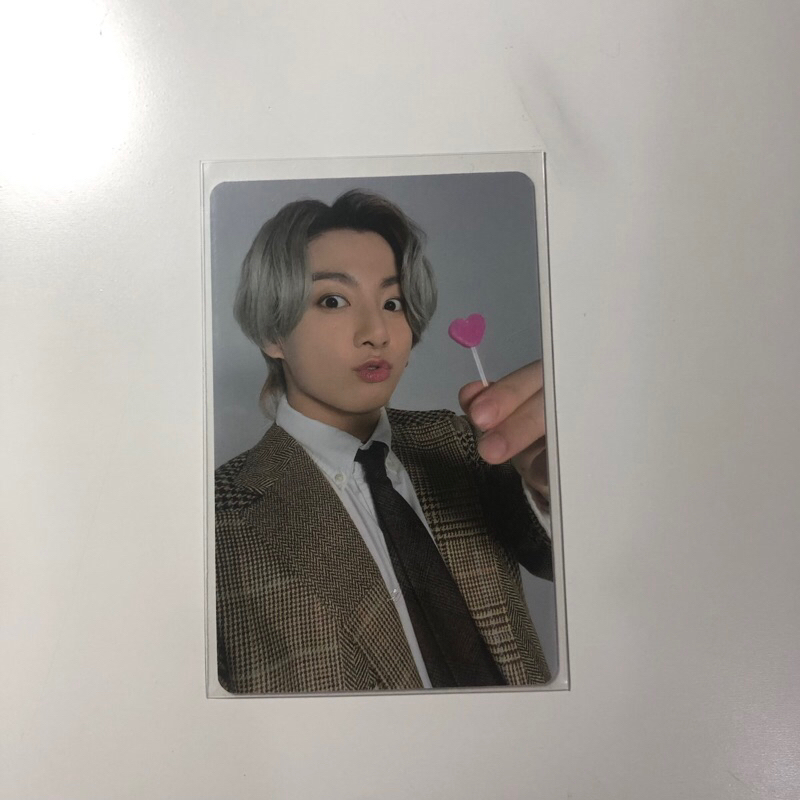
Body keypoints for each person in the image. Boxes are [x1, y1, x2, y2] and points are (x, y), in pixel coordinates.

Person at [215, 189, 553, 694]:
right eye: (333, 300)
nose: (377, 332)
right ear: (273, 333)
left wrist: (556, 485)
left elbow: (561, 560)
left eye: (392, 303)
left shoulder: (461, 443)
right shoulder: (215, 518)